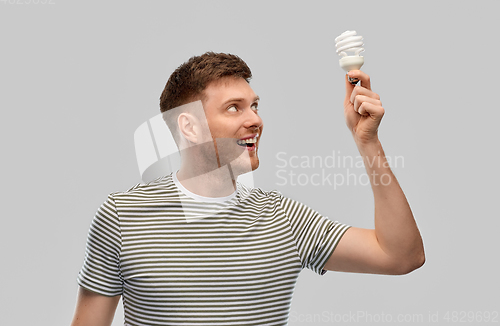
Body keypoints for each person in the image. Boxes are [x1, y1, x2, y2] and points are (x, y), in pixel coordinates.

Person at [70, 52, 424, 326]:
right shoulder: (122, 216)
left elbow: (401, 256)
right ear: (189, 127)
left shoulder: (284, 218)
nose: (255, 119)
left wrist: (368, 142)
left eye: (254, 105)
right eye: (234, 108)